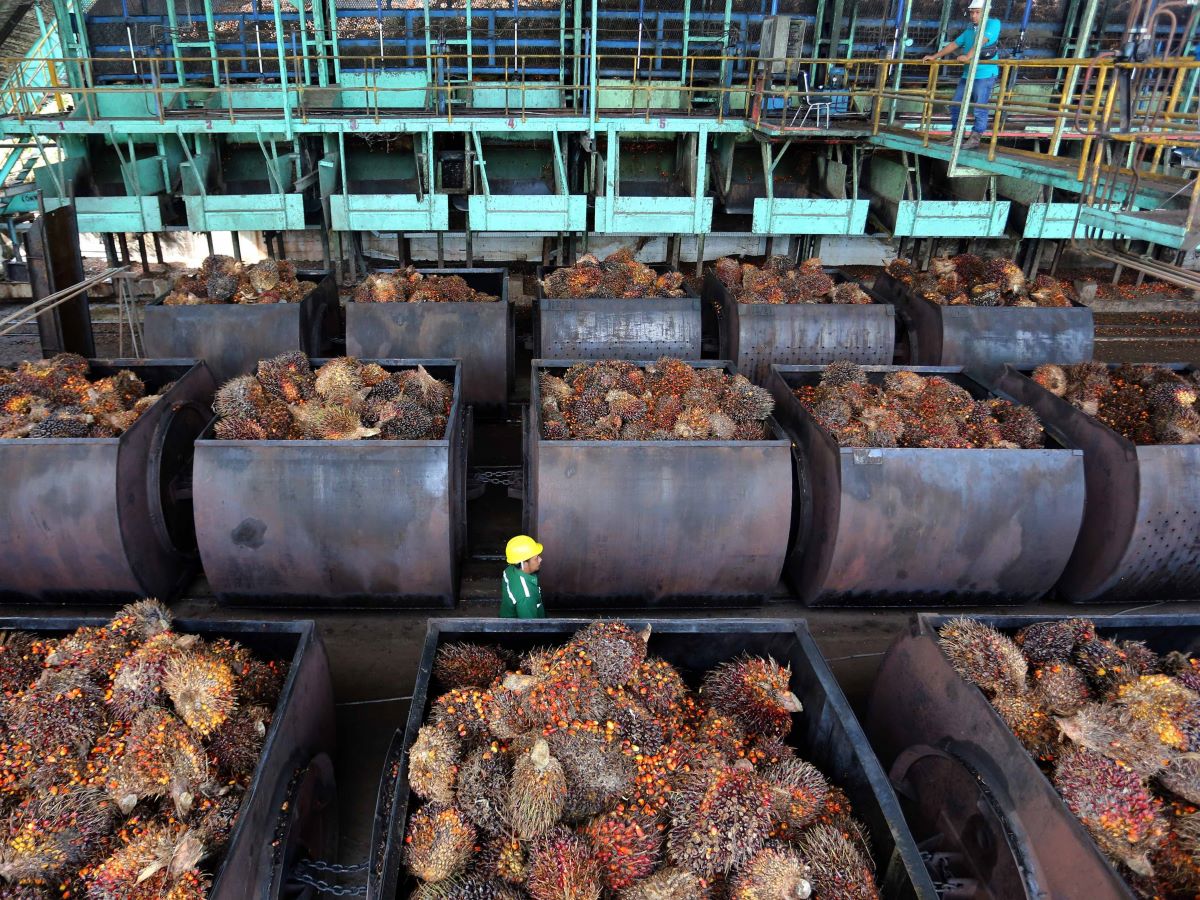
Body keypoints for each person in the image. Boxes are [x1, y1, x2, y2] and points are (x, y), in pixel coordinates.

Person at [923, 0, 1001, 150]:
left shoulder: (993, 24)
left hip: (985, 74)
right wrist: (935, 56)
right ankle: (956, 135)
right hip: (968, 74)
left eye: (977, 12)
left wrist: (968, 56)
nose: (974, 15)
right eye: (972, 12)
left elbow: (981, 41)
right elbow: (954, 44)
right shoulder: (970, 28)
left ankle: (975, 137)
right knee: (956, 104)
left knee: (979, 106)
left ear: (986, 12)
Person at [501, 535, 545, 619]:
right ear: (524, 563)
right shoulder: (527, 596)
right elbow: (530, 627)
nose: (540, 559)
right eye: (536, 558)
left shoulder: (509, 570)